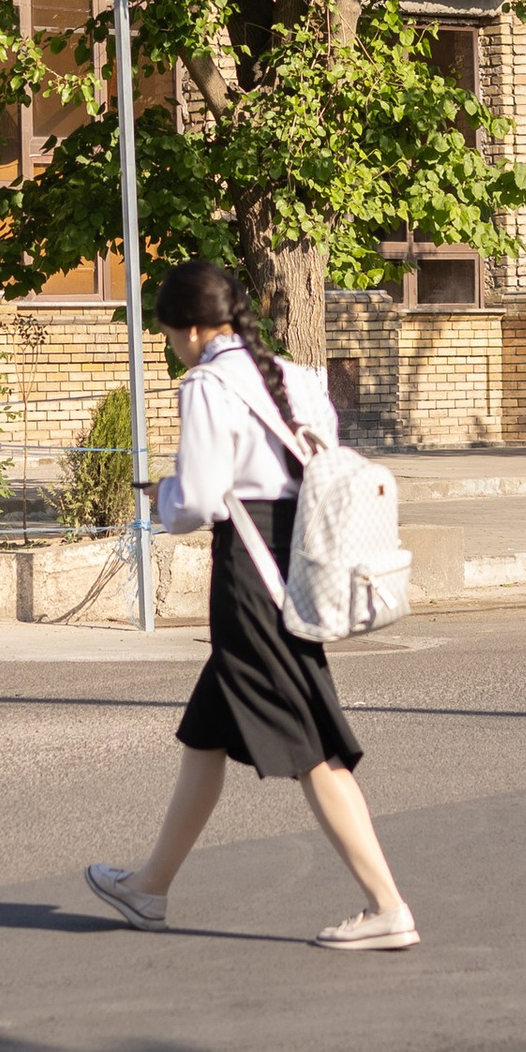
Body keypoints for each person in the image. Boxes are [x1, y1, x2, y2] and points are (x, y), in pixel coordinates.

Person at [85, 259, 418, 952]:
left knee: (311, 748)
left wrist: (160, 498)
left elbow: (201, 501)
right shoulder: (295, 375)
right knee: (205, 734)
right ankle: (148, 888)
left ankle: (388, 907)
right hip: (298, 560)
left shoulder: (206, 383)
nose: (173, 346)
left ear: (196, 329)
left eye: (172, 333)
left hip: (251, 573)